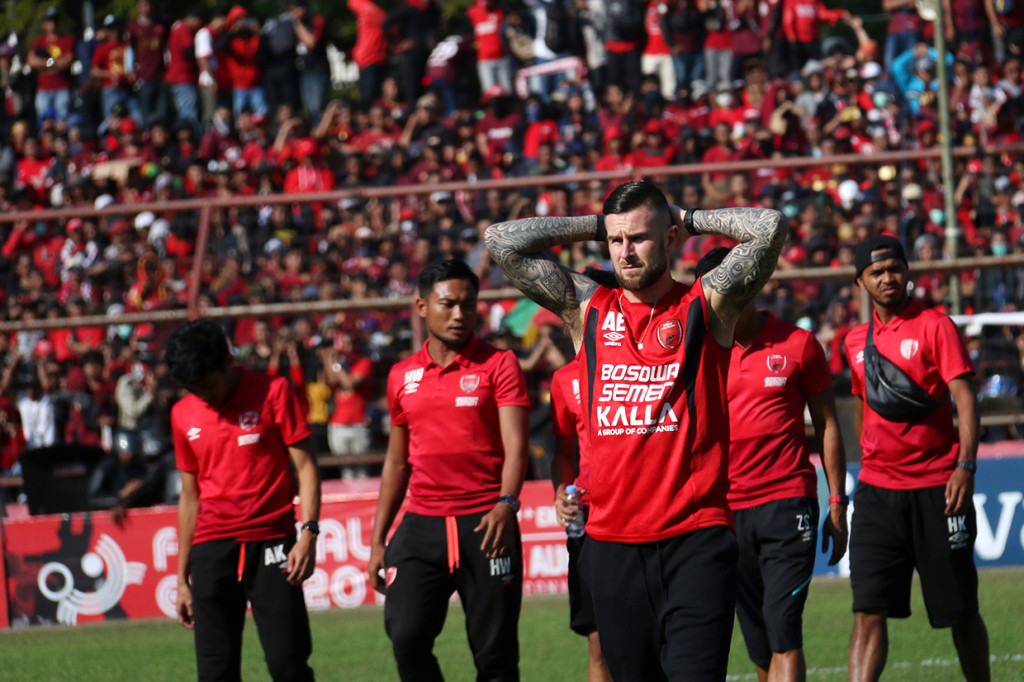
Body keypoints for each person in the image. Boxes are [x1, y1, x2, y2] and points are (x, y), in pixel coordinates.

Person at [485, 179, 787, 680]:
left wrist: (687, 218)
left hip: (695, 541)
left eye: (640, 238)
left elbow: (769, 227)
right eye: (616, 240)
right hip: (611, 547)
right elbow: (500, 240)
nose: (625, 252)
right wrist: (597, 224)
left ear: (669, 240)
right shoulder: (587, 308)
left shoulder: (707, 305)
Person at [366, 259, 530, 682]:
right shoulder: (401, 375)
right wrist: (378, 539)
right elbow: (396, 462)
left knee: (495, 659)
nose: (460, 314)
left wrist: (506, 504)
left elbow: (516, 446)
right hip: (422, 527)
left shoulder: (500, 364)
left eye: (468, 305)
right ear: (422, 306)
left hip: (487, 525)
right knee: (406, 636)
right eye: (448, 304)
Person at [695, 246, 849, 682]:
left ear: (750, 285)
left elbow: (828, 425)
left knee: (784, 634)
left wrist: (837, 503)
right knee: (760, 648)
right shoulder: (694, 352)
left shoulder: (798, 344)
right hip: (723, 515)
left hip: (787, 505)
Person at [842, 235, 990, 682]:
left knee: (960, 611)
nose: (888, 278)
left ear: (907, 271)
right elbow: (863, 408)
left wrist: (965, 466)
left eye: (895, 268)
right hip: (876, 494)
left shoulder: (935, 326)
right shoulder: (854, 340)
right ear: (860, 282)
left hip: (938, 489)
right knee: (867, 610)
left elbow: (966, 399)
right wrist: (868, 462)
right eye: (876, 272)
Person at [167, 319, 320, 682]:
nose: (204, 396)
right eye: (195, 390)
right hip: (211, 550)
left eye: (208, 386)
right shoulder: (182, 413)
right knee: (215, 673)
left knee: (288, 665)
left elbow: (306, 467)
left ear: (228, 361)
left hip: (272, 542)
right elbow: (190, 497)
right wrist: (182, 578)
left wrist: (309, 532)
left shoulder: (274, 391)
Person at [549, 356, 612, 682]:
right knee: (598, 640)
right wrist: (560, 489)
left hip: (642, 512)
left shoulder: (647, 363)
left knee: (652, 633)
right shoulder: (564, 378)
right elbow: (562, 452)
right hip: (588, 517)